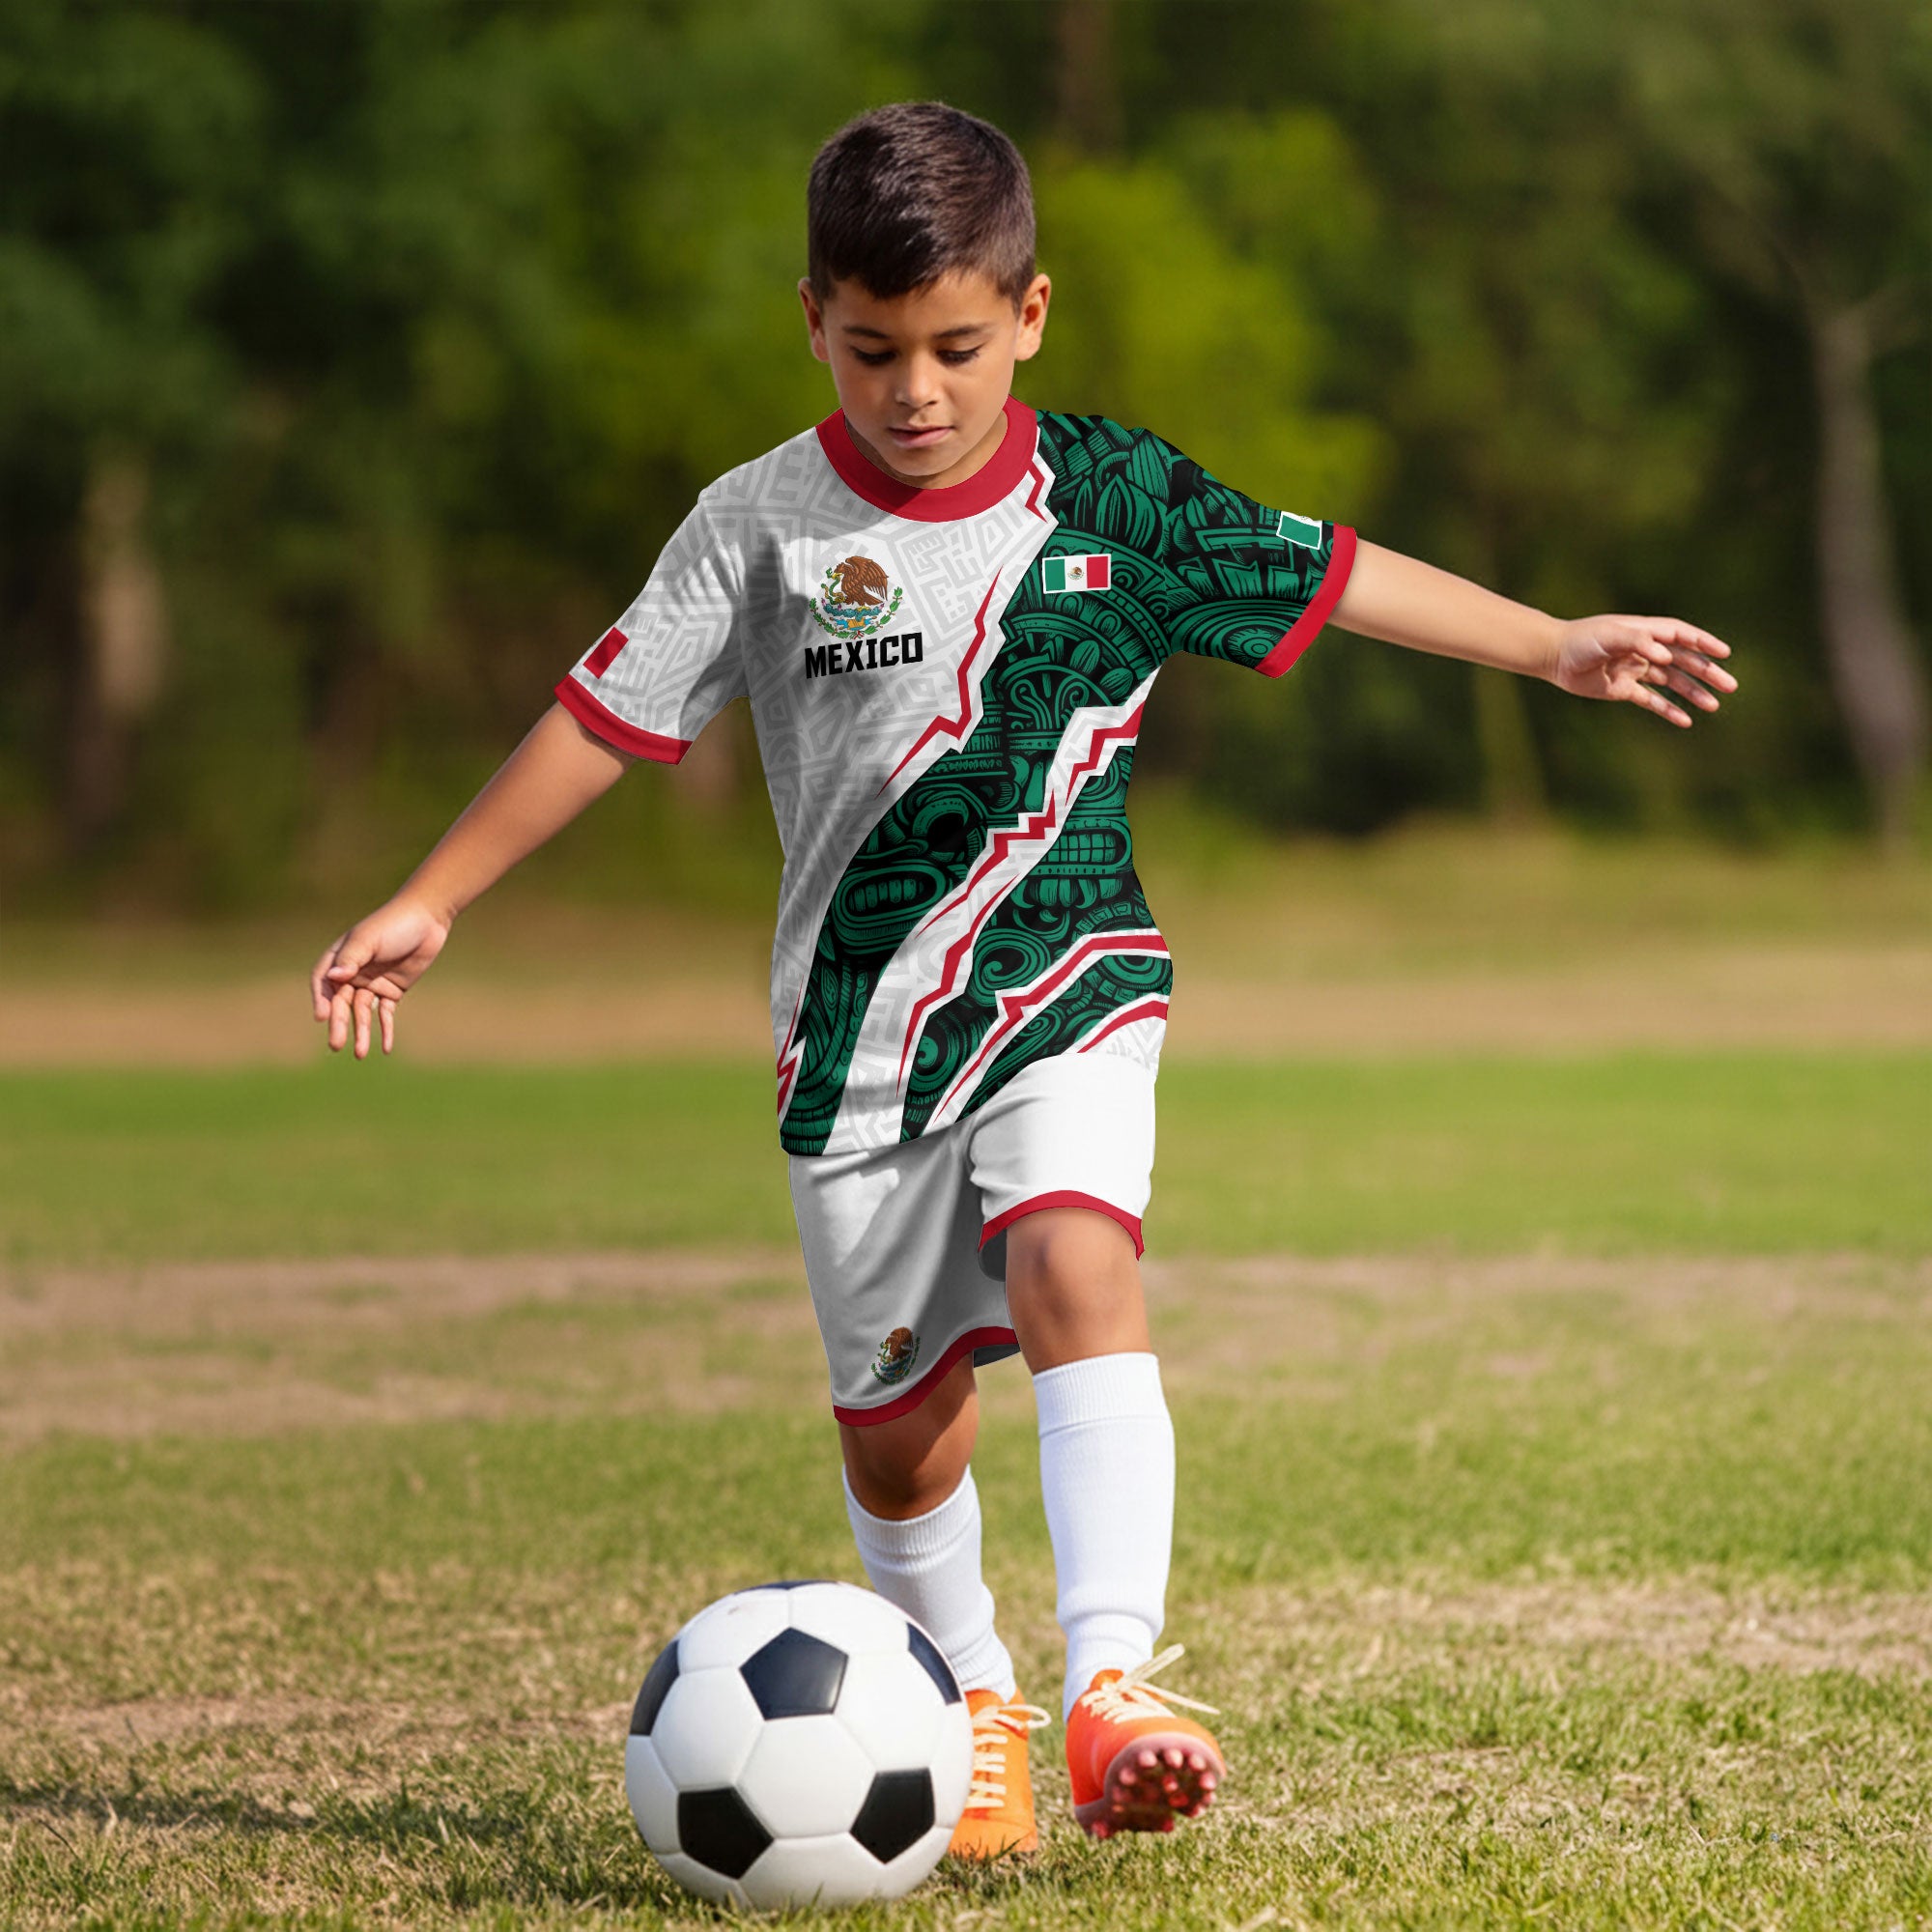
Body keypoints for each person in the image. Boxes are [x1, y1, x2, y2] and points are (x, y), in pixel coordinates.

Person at [310, 100, 1736, 1859]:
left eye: (959, 349)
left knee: (1079, 1258)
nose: (918, 389)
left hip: (1073, 975)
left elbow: (1332, 571)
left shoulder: (1120, 500)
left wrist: (1555, 643)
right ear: (814, 324)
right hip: (857, 1040)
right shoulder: (754, 524)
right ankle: (971, 1692)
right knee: (905, 1438)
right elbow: (607, 716)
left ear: (1031, 316)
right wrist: (431, 895)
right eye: (874, 349)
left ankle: (1111, 1686)